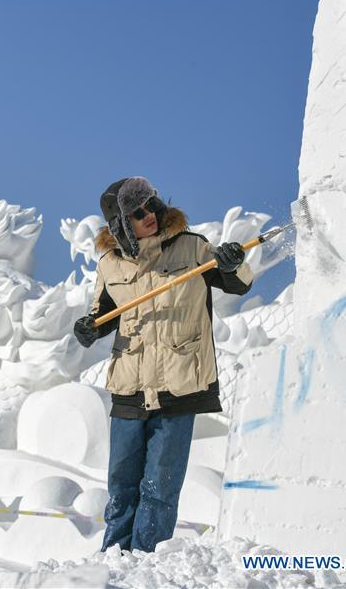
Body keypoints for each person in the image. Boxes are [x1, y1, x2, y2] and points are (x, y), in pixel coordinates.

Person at [72, 177, 252, 553]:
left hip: (179, 384)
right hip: (128, 388)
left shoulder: (192, 247)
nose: (149, 215)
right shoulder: (109, 265)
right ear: (121, 224)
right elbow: (100, 317)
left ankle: (144, 564)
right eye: (137, 213)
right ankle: (113, 560)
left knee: (159, 488)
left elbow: (238, 283)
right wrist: (87, 329)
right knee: (121, 487)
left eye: (151, 205)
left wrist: (234, 264)